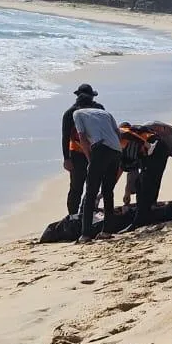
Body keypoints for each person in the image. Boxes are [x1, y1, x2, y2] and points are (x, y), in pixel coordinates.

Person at [120, 121, 172, 213]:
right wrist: (127, 192)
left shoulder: (142, 132)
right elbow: (132, 170)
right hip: (156, 149)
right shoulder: (131, 144)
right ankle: (151, 203)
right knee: (151, 176)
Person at [70, 100, 123, 244]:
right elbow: (117, 133)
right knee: (108, 191)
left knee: (91, 192)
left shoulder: (77, 114)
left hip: (100, 149)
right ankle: (107, 231)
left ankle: (85, 234)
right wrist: (117, 151)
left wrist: (89, 159)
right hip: (116, 150)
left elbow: (82, 137)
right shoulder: (106, 113)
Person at [61, 84, 106, 215]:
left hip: (96, 152)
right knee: (76, 187)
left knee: (94, 185)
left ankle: (86, 212)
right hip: (77, 154)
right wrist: (66, 159)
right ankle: (73, 216)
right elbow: (65, 137)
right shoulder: (70, 113)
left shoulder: (99, 109)